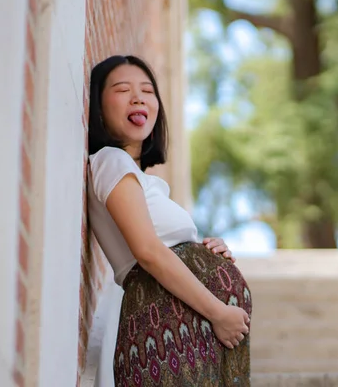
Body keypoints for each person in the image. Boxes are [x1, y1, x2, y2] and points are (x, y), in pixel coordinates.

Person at [87, 55, 252, 386]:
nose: (138, 97)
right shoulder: (111, 161)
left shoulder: (145, 182)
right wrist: (219, 312)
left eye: (148, 90)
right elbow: (148, 251)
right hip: (164, 328)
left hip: (190, 329)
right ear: (99, 108)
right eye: (122, 89)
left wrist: (205, 251)